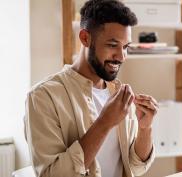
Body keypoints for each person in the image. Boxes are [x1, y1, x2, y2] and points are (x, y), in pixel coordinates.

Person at [24, 0, 158, 177]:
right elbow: (52, 174)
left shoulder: (119, 95)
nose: (122, 56)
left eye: (126, 47)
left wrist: (145, 129)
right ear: (85, 38)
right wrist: (104, 123)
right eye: (112, 45)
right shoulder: (43, 97)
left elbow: (135, 166)